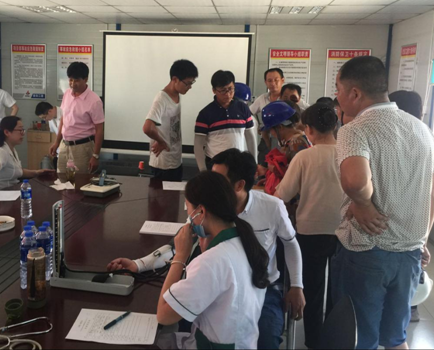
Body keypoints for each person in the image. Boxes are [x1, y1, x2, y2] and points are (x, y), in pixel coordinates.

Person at [107, 148, 304, 349]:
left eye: (218, 180)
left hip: (256, 289)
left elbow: (164, 314)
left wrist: (297, 285)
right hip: (229, 302)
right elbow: (179, 242)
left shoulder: (267, 210)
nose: (211, 184)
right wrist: (139, 264)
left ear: (239, 185)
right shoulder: (238, 236)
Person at [332, 56, 434, 349]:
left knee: (358, 337)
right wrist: (421, 240)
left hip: (368, 250)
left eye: (338, 89)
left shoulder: (355, 129)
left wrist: (363, 204)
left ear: (355, 93)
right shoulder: (422, 130)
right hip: (409, 254)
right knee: (396, 338)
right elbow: (431, 194)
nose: (337, 96)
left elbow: (355, 181)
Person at [155, 171, 270, 349]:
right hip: (243, 343)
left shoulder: (212, 261)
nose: (188, 217)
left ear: (201, 211)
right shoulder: (246, 242)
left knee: (156, 340)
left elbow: (164, 315)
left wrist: (180, 256)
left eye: (188, 209)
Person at [274, 103, 343, 349]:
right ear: (335, 126)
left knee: (312, 290)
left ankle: (313, 341)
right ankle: (334, 340)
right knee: (337, 291)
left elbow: (282, 195)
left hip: (310, 231)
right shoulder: (349, 154)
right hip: (343, 231)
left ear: (309, 129)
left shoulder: (304, 157)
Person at [388, 90, 429, 323]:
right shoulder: (427, 138)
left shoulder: (387, 140)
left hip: (383, 235)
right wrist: (423, 240)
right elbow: (431, 195)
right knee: (399, 315)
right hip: (413, 236)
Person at [0, 116, 51, 198]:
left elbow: (18, 171)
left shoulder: (11, 149)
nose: (23, 133)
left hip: (7, 192)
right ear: (7, 132)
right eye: (20, 130)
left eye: (23, 130)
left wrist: (37, 172)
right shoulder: (1, 150)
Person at [143, 60, 198, 181]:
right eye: (188, 83)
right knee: (162, 193)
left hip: (175, 160)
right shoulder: (161, 99)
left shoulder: (177, 95)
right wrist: (161, 142)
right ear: (175, 79)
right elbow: (147, 128)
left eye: (192, 83)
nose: (190, 87)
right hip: (163, 164)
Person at [49, 62, 104, 177]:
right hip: (64, 145)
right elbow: (64, 119)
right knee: (61, 179)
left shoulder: (94, 101)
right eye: (70, 80)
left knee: (80, 182)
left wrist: (95, 156)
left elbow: (99, 129)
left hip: (82, 147)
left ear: (86, 79)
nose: (73, 84)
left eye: (77, 80)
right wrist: (57, 142)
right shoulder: (67, 94)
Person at [194, 70, 257, 171]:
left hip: (238, 164)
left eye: (230, 89)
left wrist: (254, 164)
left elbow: (250, 137)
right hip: (215, 165)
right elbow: (198, 145)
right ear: (214, 90)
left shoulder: (243, 108)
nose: (228, 94)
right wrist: (203, 170)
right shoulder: (205, 113)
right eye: (223, 90)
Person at [250, 68, 285, 166]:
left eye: (276, 80)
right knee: (263, 167)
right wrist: (256, 125)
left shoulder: (287, 97)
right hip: (266, 139)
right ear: (265, 82)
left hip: (283, 139)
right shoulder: (262, 98)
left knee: (280, 168)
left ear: (282, 80)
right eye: (269, 80)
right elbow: (248, 113)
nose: (273, 83)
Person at [35, 101, 63, 169]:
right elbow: (56, 134)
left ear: (50, 111)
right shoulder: (51, 118)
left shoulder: (64, 112)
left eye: (44, 117)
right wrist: (55, 146)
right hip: (60, 149)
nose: (45, 120)